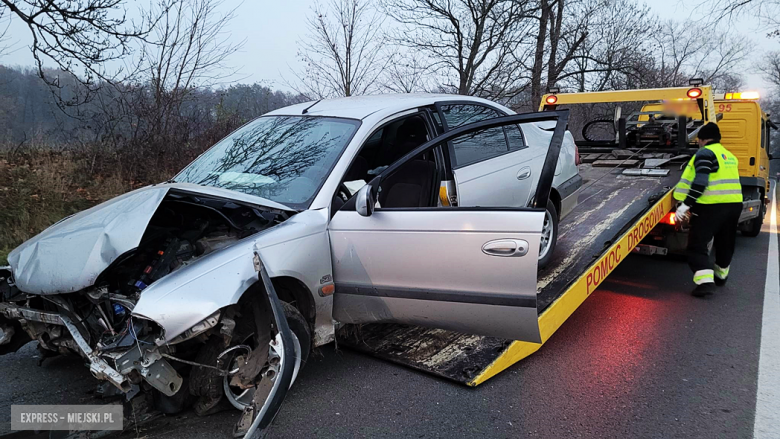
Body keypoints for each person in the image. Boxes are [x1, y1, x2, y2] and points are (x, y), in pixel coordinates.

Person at [673, 122, 743, 297]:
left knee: (697, 244)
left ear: (702, 139)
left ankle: (705, 283)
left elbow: (701, 182)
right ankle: (721, 276)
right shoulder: (729, 156)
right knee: (725, 242)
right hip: (734, 205)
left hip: (710, 207)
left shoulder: (705, 153)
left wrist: (686, 204)